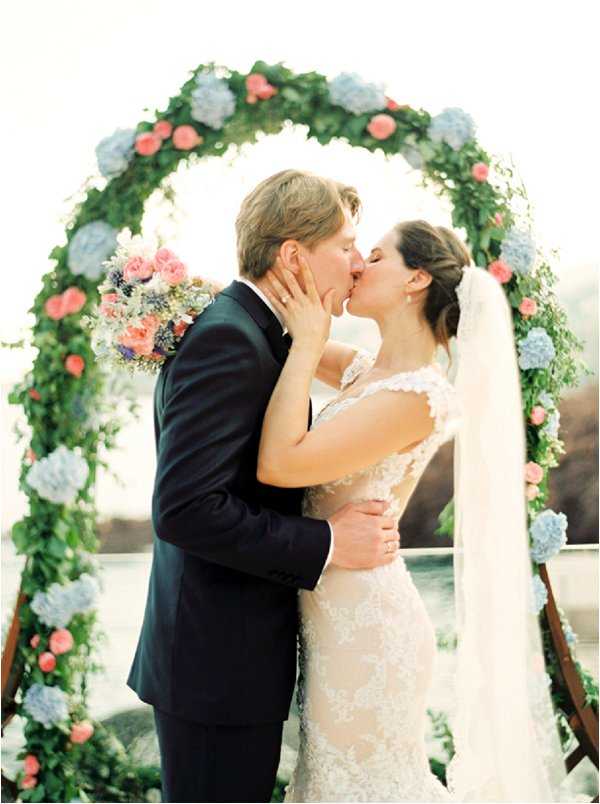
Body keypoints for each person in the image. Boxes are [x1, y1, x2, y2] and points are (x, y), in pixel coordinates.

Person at [258, 219, 568, 802]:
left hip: (368, 630)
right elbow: (283, 327)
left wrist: (304, 343)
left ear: (416, 279)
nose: (358, 266)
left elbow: (279, 464)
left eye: (373, 257)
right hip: (332, 616)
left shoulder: (416, 398)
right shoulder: (368, 373)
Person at [126, 169, 400, 804]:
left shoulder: (258, 332)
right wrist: (326, 543)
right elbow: (186, 509)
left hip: (228, 660)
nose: (357, 264)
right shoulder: (230, 339)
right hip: (214, 667)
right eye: (346, 246)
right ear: (294, 255)